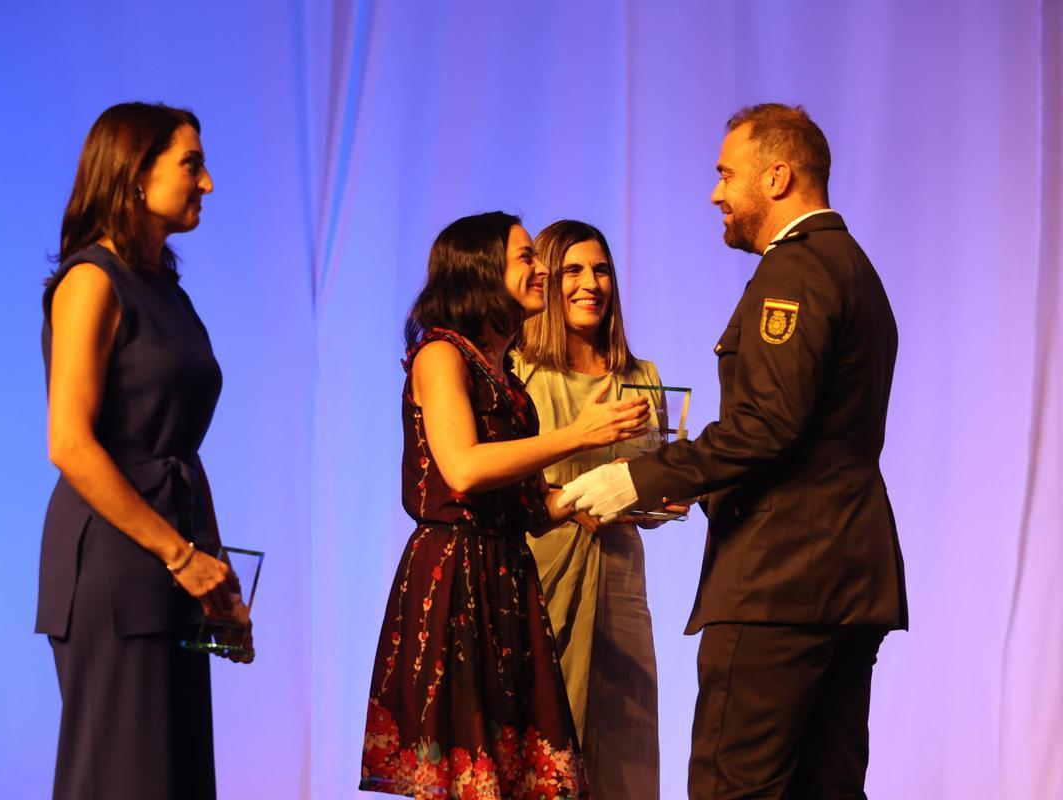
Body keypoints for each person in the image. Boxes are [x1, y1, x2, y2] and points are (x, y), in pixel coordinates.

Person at [560, 104, 908, 798]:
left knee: (734, 787)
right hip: (849, 578)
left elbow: (766, 425)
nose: (717, 193)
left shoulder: (798, 270)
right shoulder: (855, 268)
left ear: (776, 176)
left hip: (781, 584)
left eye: (726, 174)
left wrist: (636, 478)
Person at [358, 212, 650, 800]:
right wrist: (580, 433)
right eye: (526, 258)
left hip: (506, 577)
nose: (540, 269)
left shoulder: (502, 371)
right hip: (457, 580)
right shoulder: (440, 355)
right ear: (482, 270)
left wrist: (602, 491)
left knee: (523, 776)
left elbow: (526, 498)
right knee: (470, 775)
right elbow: (462, 467)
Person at [36, 102, 249, 800]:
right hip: (117, 561)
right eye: (191, 164)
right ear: (134, 175)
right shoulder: (91, 280)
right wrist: (181, 556)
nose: (208, 183)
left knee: (175, 780)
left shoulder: (166, 289)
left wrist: (216, 579)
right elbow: (69, 442)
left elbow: (182, 450)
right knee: (126, 779)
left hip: (172, 558)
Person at [512, 219, 673, 798]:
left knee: (624, 747)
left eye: (601, 270)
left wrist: (672, 493)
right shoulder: (521, 373)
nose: (590, 284)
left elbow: (655, 484)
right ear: (547, 284)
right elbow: (498, 485)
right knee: (547, 743)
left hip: (621, 584)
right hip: (542, 574)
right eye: (573, 271)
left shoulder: (641, 378)